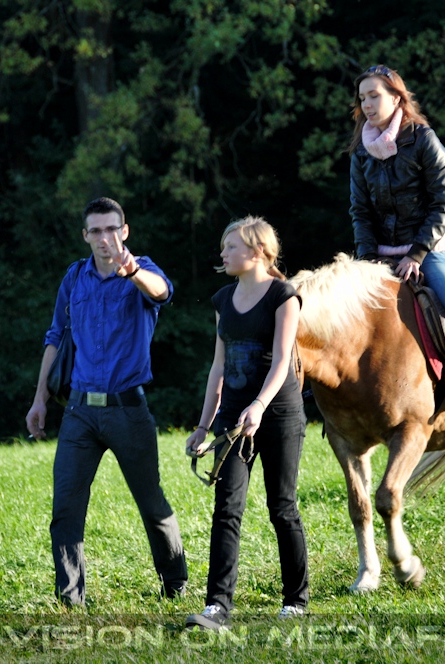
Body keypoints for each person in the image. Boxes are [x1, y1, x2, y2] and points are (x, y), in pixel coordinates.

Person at [25, 196, 188, 605]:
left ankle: (175, 583)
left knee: (151, 504)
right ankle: (70, 599)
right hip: (79, 412)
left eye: (112, 228)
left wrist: (131, 271)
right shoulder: (74, 277)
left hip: (127, 410)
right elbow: (55, 337)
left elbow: (163, 292)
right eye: (96, 230)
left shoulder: (141, 269)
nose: (104, 238)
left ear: (124, 231)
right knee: (65, 508)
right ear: (85, 235)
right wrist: (40, 399)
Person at [184, 216, 309, 630]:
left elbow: (282, 361)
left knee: (282, 508)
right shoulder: (223, 300)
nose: (223, 253)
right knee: (227, 509)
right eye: (223, 247)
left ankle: (296, 600)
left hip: (278, 414)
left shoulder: (284, 296)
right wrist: (203, 426)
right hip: (233, 419)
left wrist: (258, 406)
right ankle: (217, 606)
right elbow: (218, 368)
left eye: (231, 247)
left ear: (257, 252)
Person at [348, 64, 445, 414]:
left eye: (374, 96)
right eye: (362, 98)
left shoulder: (424, 140)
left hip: (427, 252)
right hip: (377, 255)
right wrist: (367, 258)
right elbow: (360, 212)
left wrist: (415, 254)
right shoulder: (360, 152)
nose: (367, 104)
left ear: (396, 97)